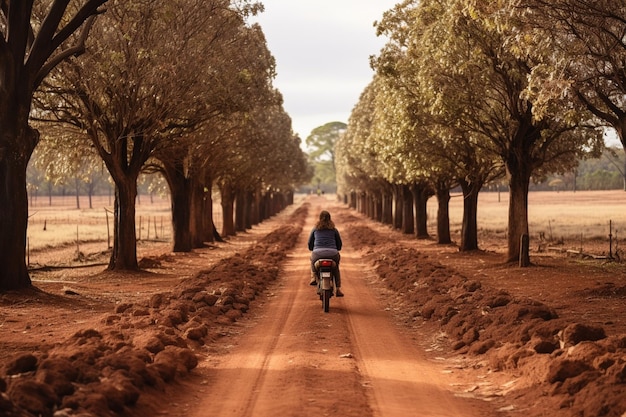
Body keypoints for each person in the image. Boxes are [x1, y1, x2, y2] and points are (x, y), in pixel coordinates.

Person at [308, 210, 343, 297]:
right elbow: (339, 243)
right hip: (333, 254)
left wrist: (312, 249)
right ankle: (338, 289)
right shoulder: (334, 230)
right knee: (335, 269)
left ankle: (313, 277)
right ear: (330, 219)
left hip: (317, 254)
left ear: (320, 219)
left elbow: (310, 243)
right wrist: (337, 248)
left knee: (312, 260)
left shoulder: (315, 229)